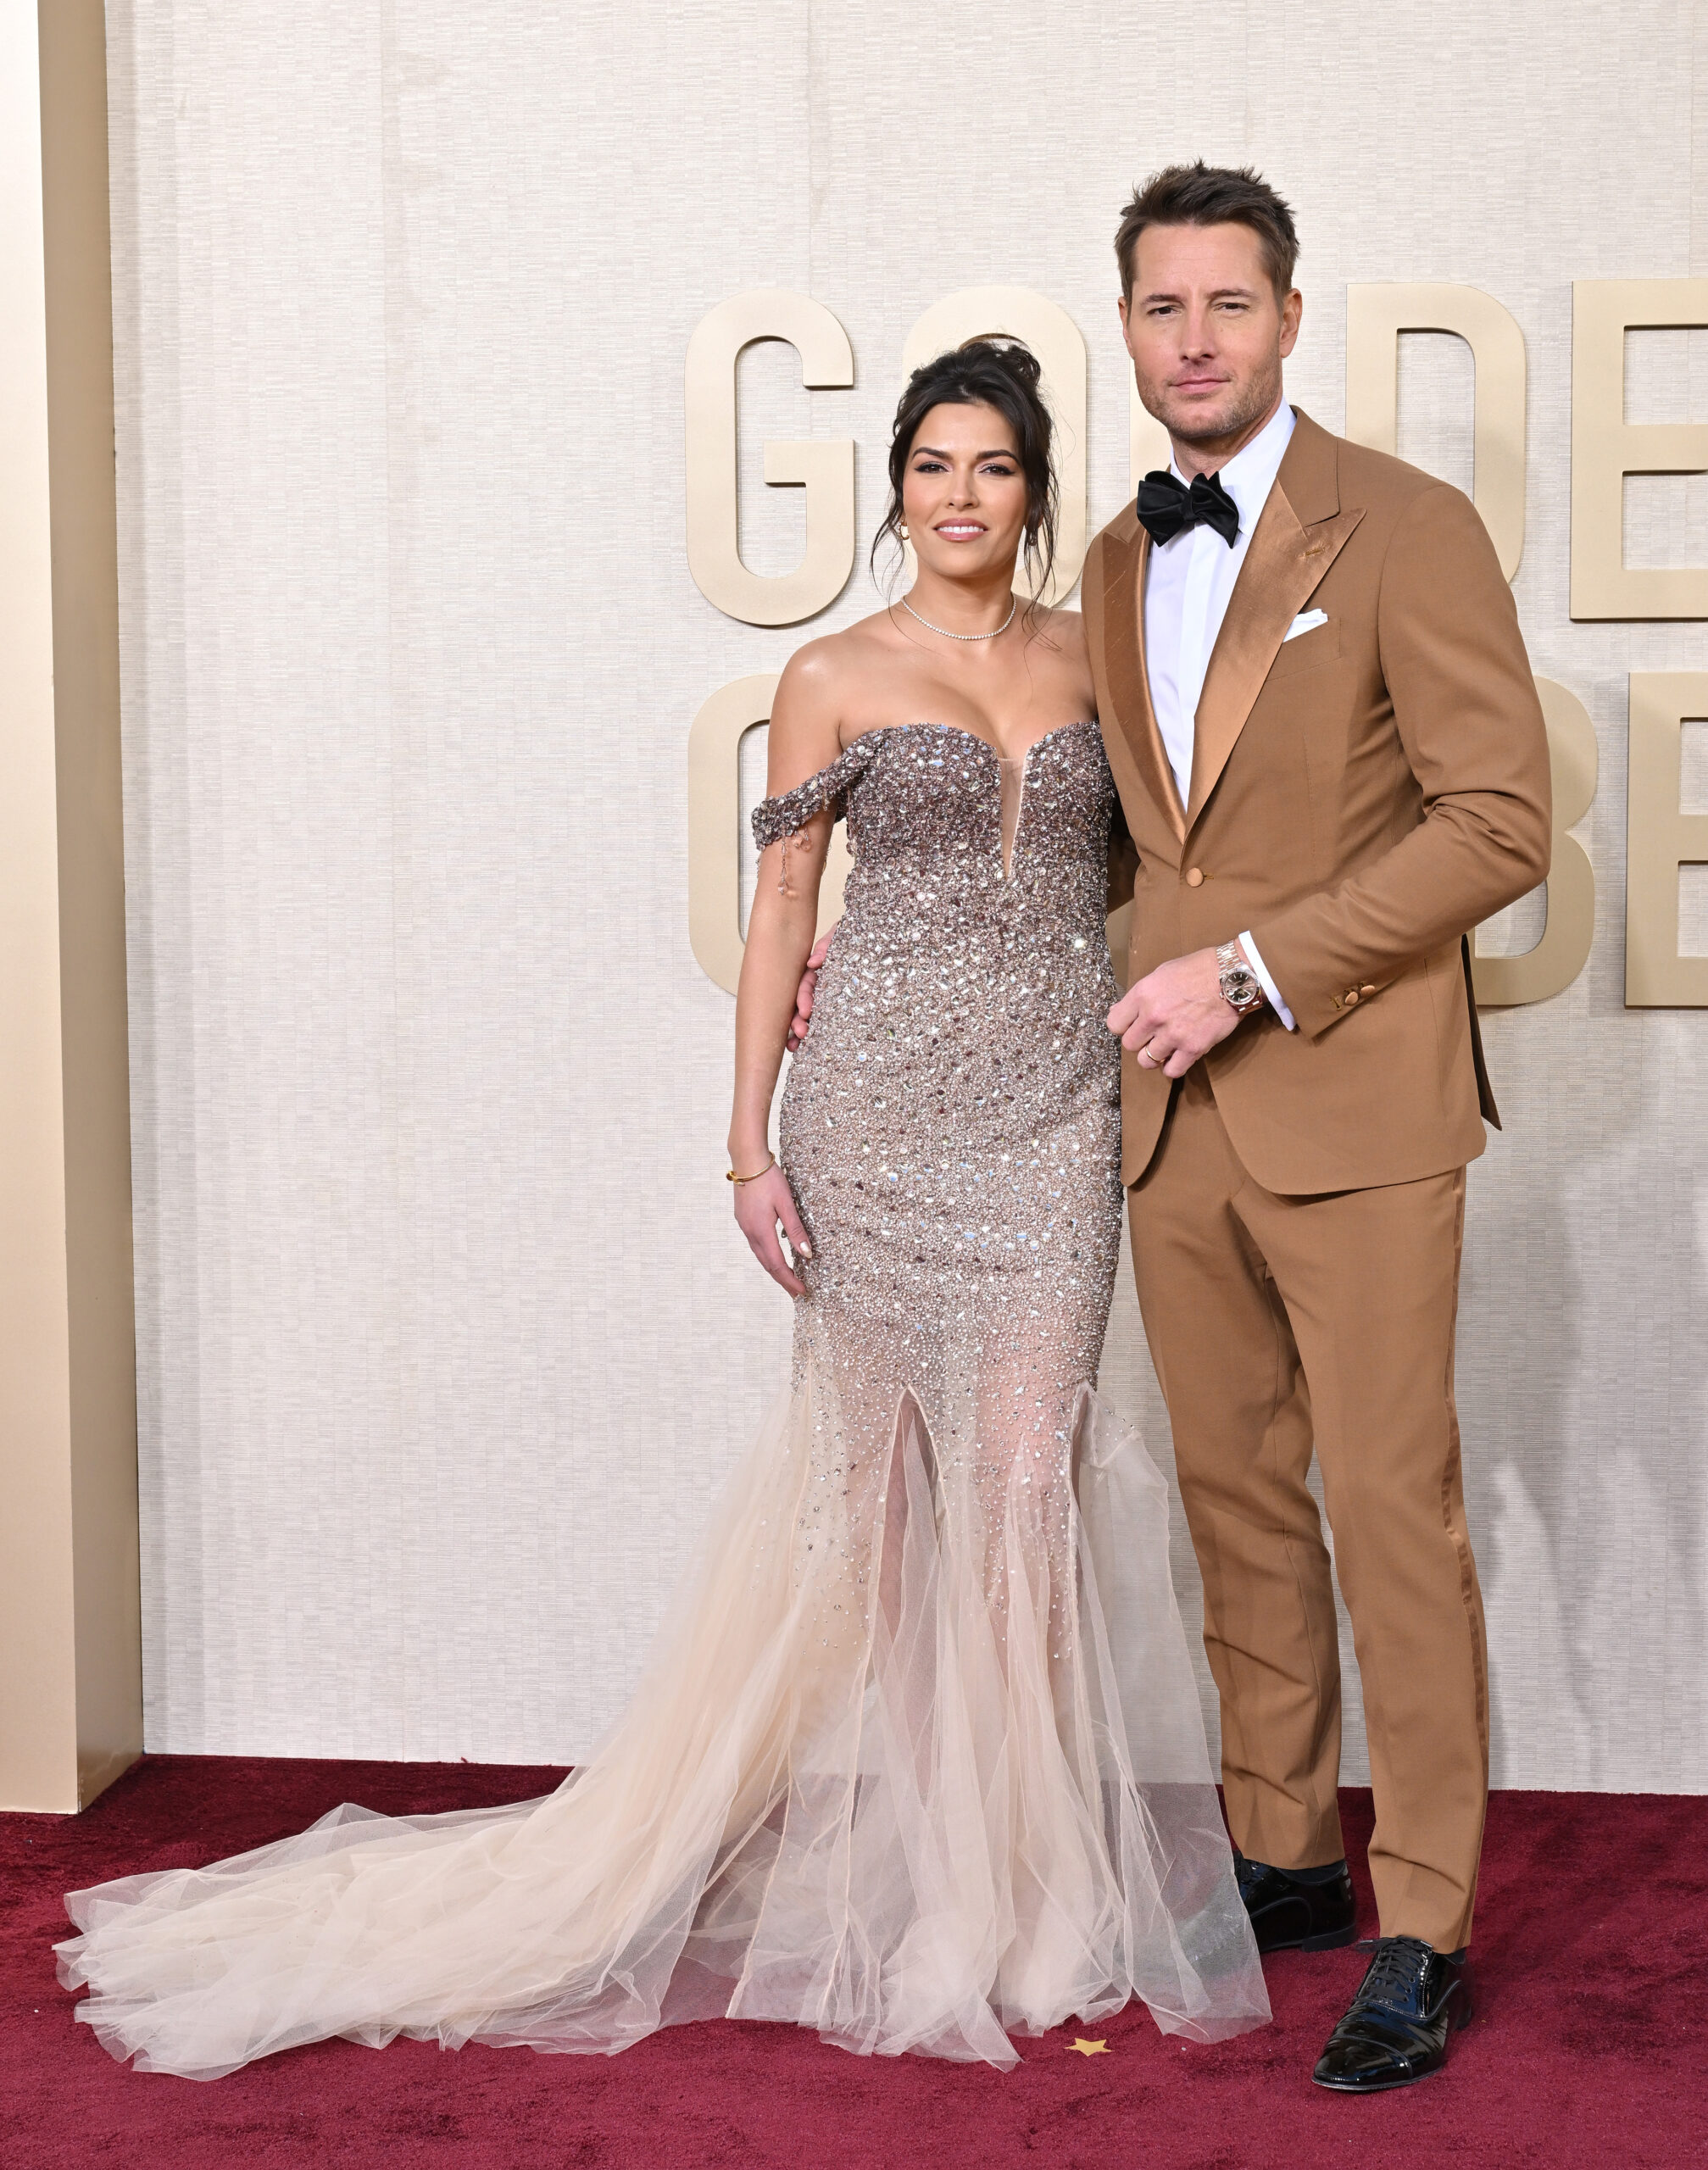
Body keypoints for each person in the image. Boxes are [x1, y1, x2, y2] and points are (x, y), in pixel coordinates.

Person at [56, 339, 1268, 2079]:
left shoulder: (1100, 661)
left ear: (1035, 489)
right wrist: (747, 1144)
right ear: (897, 489)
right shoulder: (834, 672)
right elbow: (782, 903)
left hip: (1053, 1126)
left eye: (992, 468)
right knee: (895, 1526)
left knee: (1028, 1493)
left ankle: (1039, 1887)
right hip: (872, 1125)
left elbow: (1167, 866)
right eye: (930, 465)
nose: (957, 495)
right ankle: (947, 1886)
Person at [1091, 163, 1551, 2091]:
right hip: (1172, 1127)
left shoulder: (1410, 526)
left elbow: (1499, 823)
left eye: (1228, 304)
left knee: (1391, 1513)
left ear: (1290, 317)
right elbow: (1128, 843)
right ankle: (1284, 1847)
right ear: (1126, 326)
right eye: (1160, 307)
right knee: (1236, 1507)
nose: (1194, 338)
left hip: (1353, 1107)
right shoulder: (1114, 559)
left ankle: (1424, 1914)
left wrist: (1258, 970)